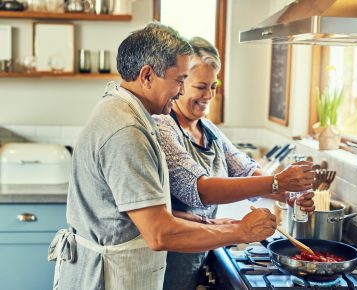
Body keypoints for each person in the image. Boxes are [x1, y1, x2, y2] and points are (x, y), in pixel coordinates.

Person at [47, 23, 281, 290]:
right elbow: (159, 232)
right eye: (180, 80)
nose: (182, 91)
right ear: (147, 76)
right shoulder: (127, 130)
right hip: (109, 279)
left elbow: (146, 212)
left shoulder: (128, 112)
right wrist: (241, 231)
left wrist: (210, 223)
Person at [153, 37, 315, 290]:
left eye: (214, 87)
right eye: (201, 86)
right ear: (181, 84)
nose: (209, 96)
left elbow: (247, 169)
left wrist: (289, 194)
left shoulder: (208, 129)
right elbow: (198, 189)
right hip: (167, 259)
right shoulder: (163, 125)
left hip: (200, 253)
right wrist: (276, 182)